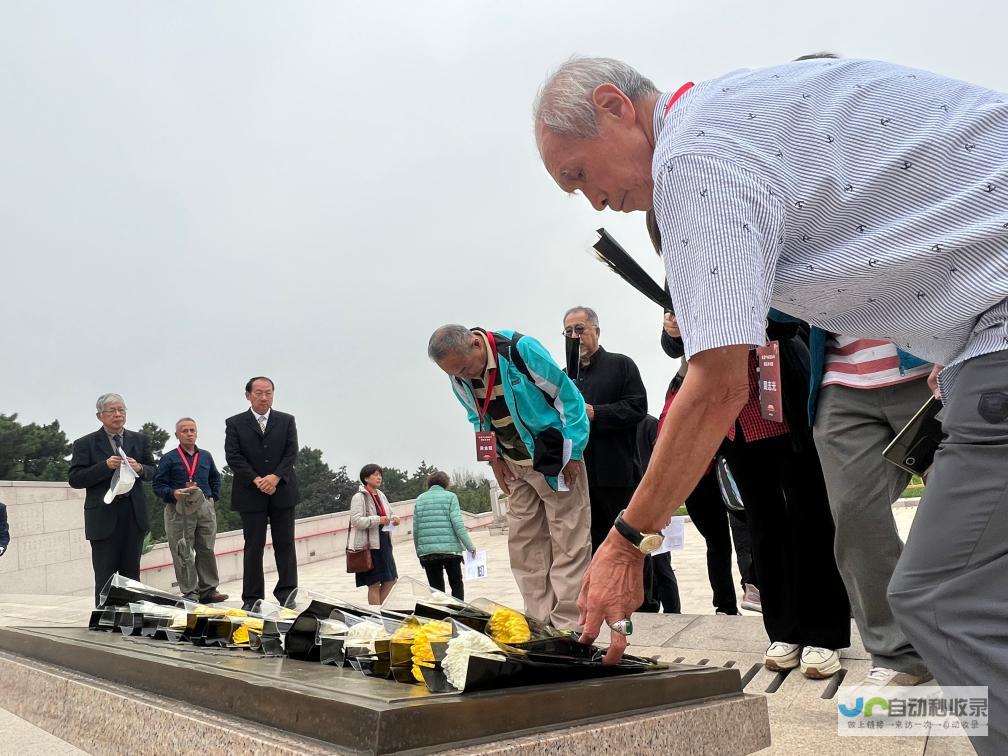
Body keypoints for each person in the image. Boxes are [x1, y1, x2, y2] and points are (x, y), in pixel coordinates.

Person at [535, 56, 1007, 753]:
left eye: (579, 174)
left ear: (615, 107)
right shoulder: (740, 114)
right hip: (975, 335)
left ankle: (868, 656)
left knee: (938, 592)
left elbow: (718, 382)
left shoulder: (692, 156)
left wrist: (628, 540)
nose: (594, 201)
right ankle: (870, 655)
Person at [428, 324, 592, 630]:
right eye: (453, 373)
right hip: (514, 467)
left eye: (464, 368)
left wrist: (576, 452)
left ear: (476, 344)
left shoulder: (519, 350)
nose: (462, 377)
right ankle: (540, 622)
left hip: (553, 460)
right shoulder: (459, 377)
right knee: (525, 546)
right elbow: (475, 417)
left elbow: (569, 399)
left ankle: (571, 625)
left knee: (569, 541)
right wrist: (494, 462)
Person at [808, 330, 934, 687]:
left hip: (929, 365)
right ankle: (899, 653)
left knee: (965, 511)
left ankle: (974, 632)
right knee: (854, 515)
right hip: (841, 382)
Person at [562, 306, 648, 552]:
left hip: (618, 473)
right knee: (593, 547)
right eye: (568, 332)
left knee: (630, 544)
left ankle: (643, 592)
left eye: (580, 329)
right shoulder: (563, 377)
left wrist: (596, 413)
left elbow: (638, 407)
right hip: (580, 477)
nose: (574, 336)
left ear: (596, 331)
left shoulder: (621, 365)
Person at [68, 393, 156, 605]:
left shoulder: (140, 440)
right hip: (103, 516)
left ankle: (133, 617)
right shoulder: (85, 444)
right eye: (112, 411)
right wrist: (104, 466)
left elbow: (154, 471)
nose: (118, 415)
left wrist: (140, 468)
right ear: (100, 416)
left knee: (131, 573)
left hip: (133, 515)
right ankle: (105, 619)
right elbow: (75, 479)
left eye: (121, 410)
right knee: (105, 573)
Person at [224, 376, 300, 611]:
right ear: (248, 395)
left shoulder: (286, 421)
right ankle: (252, 597)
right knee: (253, 546)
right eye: (258, 393)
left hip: (282, 490)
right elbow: (233, 456)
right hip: (250, 493)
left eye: (268, 392)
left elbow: (291, 452)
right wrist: (257, 479)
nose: (264, 397)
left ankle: (287, 593)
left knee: (285, 544)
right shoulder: (235, 423)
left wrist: (275, 477)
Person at [152, 417, 228, 604]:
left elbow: (215, 478)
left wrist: (212, 499)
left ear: (196, 433)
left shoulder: (206, 456)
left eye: (192, 430)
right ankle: (190, 592)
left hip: (204, 507)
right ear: (177, 435)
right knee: (183, 549)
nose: (189, 433)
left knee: (206, 548)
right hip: (179, 509)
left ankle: (209, 590)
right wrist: (173, 493)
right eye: (184, 431)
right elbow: (158, 485)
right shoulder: (169, 458)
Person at [636, 415, 680, 613]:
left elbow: (666, 465)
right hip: (633, 503)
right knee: (644, 566)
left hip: (654, 503)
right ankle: (648, 608)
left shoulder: (649, 424)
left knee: (661, 565)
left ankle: (673, 612)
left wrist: (667, 503)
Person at [412, 471, 476, 600]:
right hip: (450, 551)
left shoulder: (420, 499)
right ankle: (457, 613)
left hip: (428, 553)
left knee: (436, 590)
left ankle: (440, 617)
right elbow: (457, 524)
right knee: (456, 584)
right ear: (446, 483)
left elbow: (416, 529)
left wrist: (419, 552)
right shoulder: (451, 497)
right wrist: (470, 546)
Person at [349, 464, 400, 605]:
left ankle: (376, 613)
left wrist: (395, 518)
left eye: (380, 474)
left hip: (384, 542)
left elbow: (389, 512)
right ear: (366, 478)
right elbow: (356, 520)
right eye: (375, 474)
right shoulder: (359, 497)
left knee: (391, 579)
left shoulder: (381, 495)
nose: (379, 477)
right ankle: (376, 615)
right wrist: (377, 520)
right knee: (374, 583)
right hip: (369, 546)